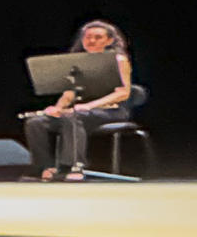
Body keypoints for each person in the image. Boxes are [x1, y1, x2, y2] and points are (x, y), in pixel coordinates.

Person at [23, 19, 135, 180]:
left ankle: (74, 166)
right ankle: (45, 167)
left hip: (111, 110)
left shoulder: (119, 60)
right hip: (80, 112)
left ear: (109, 40)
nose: (92, 41)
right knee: (36, 122)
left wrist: (89, 106)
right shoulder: (78, 61)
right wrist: (57, 108)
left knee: (72, 117)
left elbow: (123, 92)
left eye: (98, 37)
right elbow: (69, 94)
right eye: (88, 37)